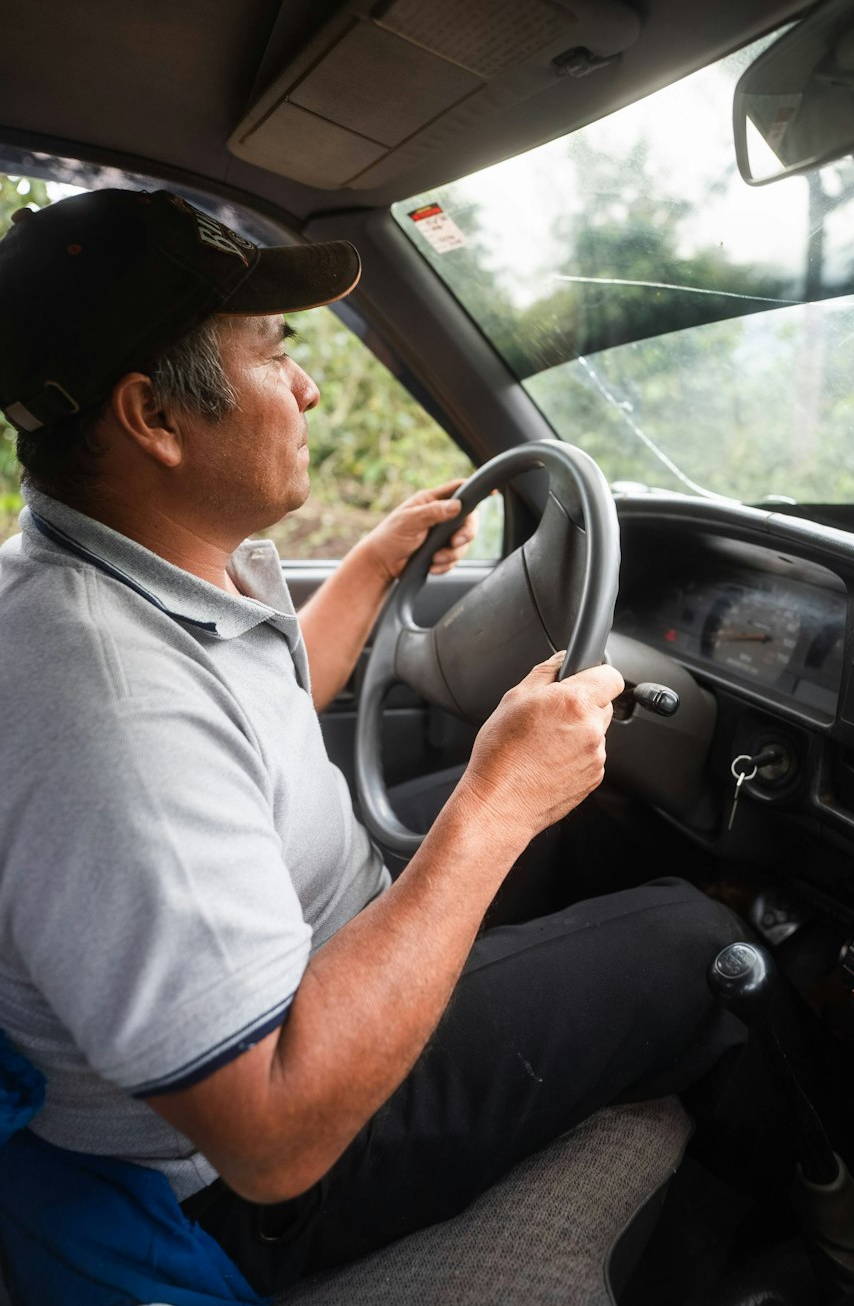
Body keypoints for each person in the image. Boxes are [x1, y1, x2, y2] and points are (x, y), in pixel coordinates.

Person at [0, 188, 745, 1299]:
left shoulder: (125, 574)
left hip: (318, 944)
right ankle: (786, 1248)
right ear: (154, 418)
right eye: (272, 357)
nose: (303, 388)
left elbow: (248, 720)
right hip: (262, 1175)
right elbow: (272, 1138)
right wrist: (494, 799)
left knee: (599, 819)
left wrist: (368, 569)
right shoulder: (104, 707)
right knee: (701, 943)